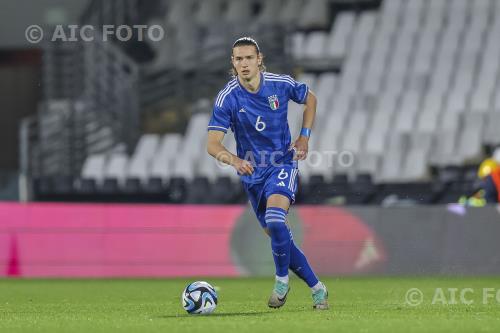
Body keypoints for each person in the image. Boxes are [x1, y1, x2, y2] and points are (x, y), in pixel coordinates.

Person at [206, 37, 328, 310]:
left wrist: (304, 136)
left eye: (249, 58)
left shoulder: (279, 84)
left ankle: (281, 281)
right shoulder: (228, 98)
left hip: (282, 162)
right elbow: (212, 145)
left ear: (259, 58)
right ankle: (318, 289)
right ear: (233, 63)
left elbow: (310, 99)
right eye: (238, 59)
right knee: (279, 234)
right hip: (252, 175)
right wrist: (234, 160)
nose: (244, 64)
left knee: (275, 218)